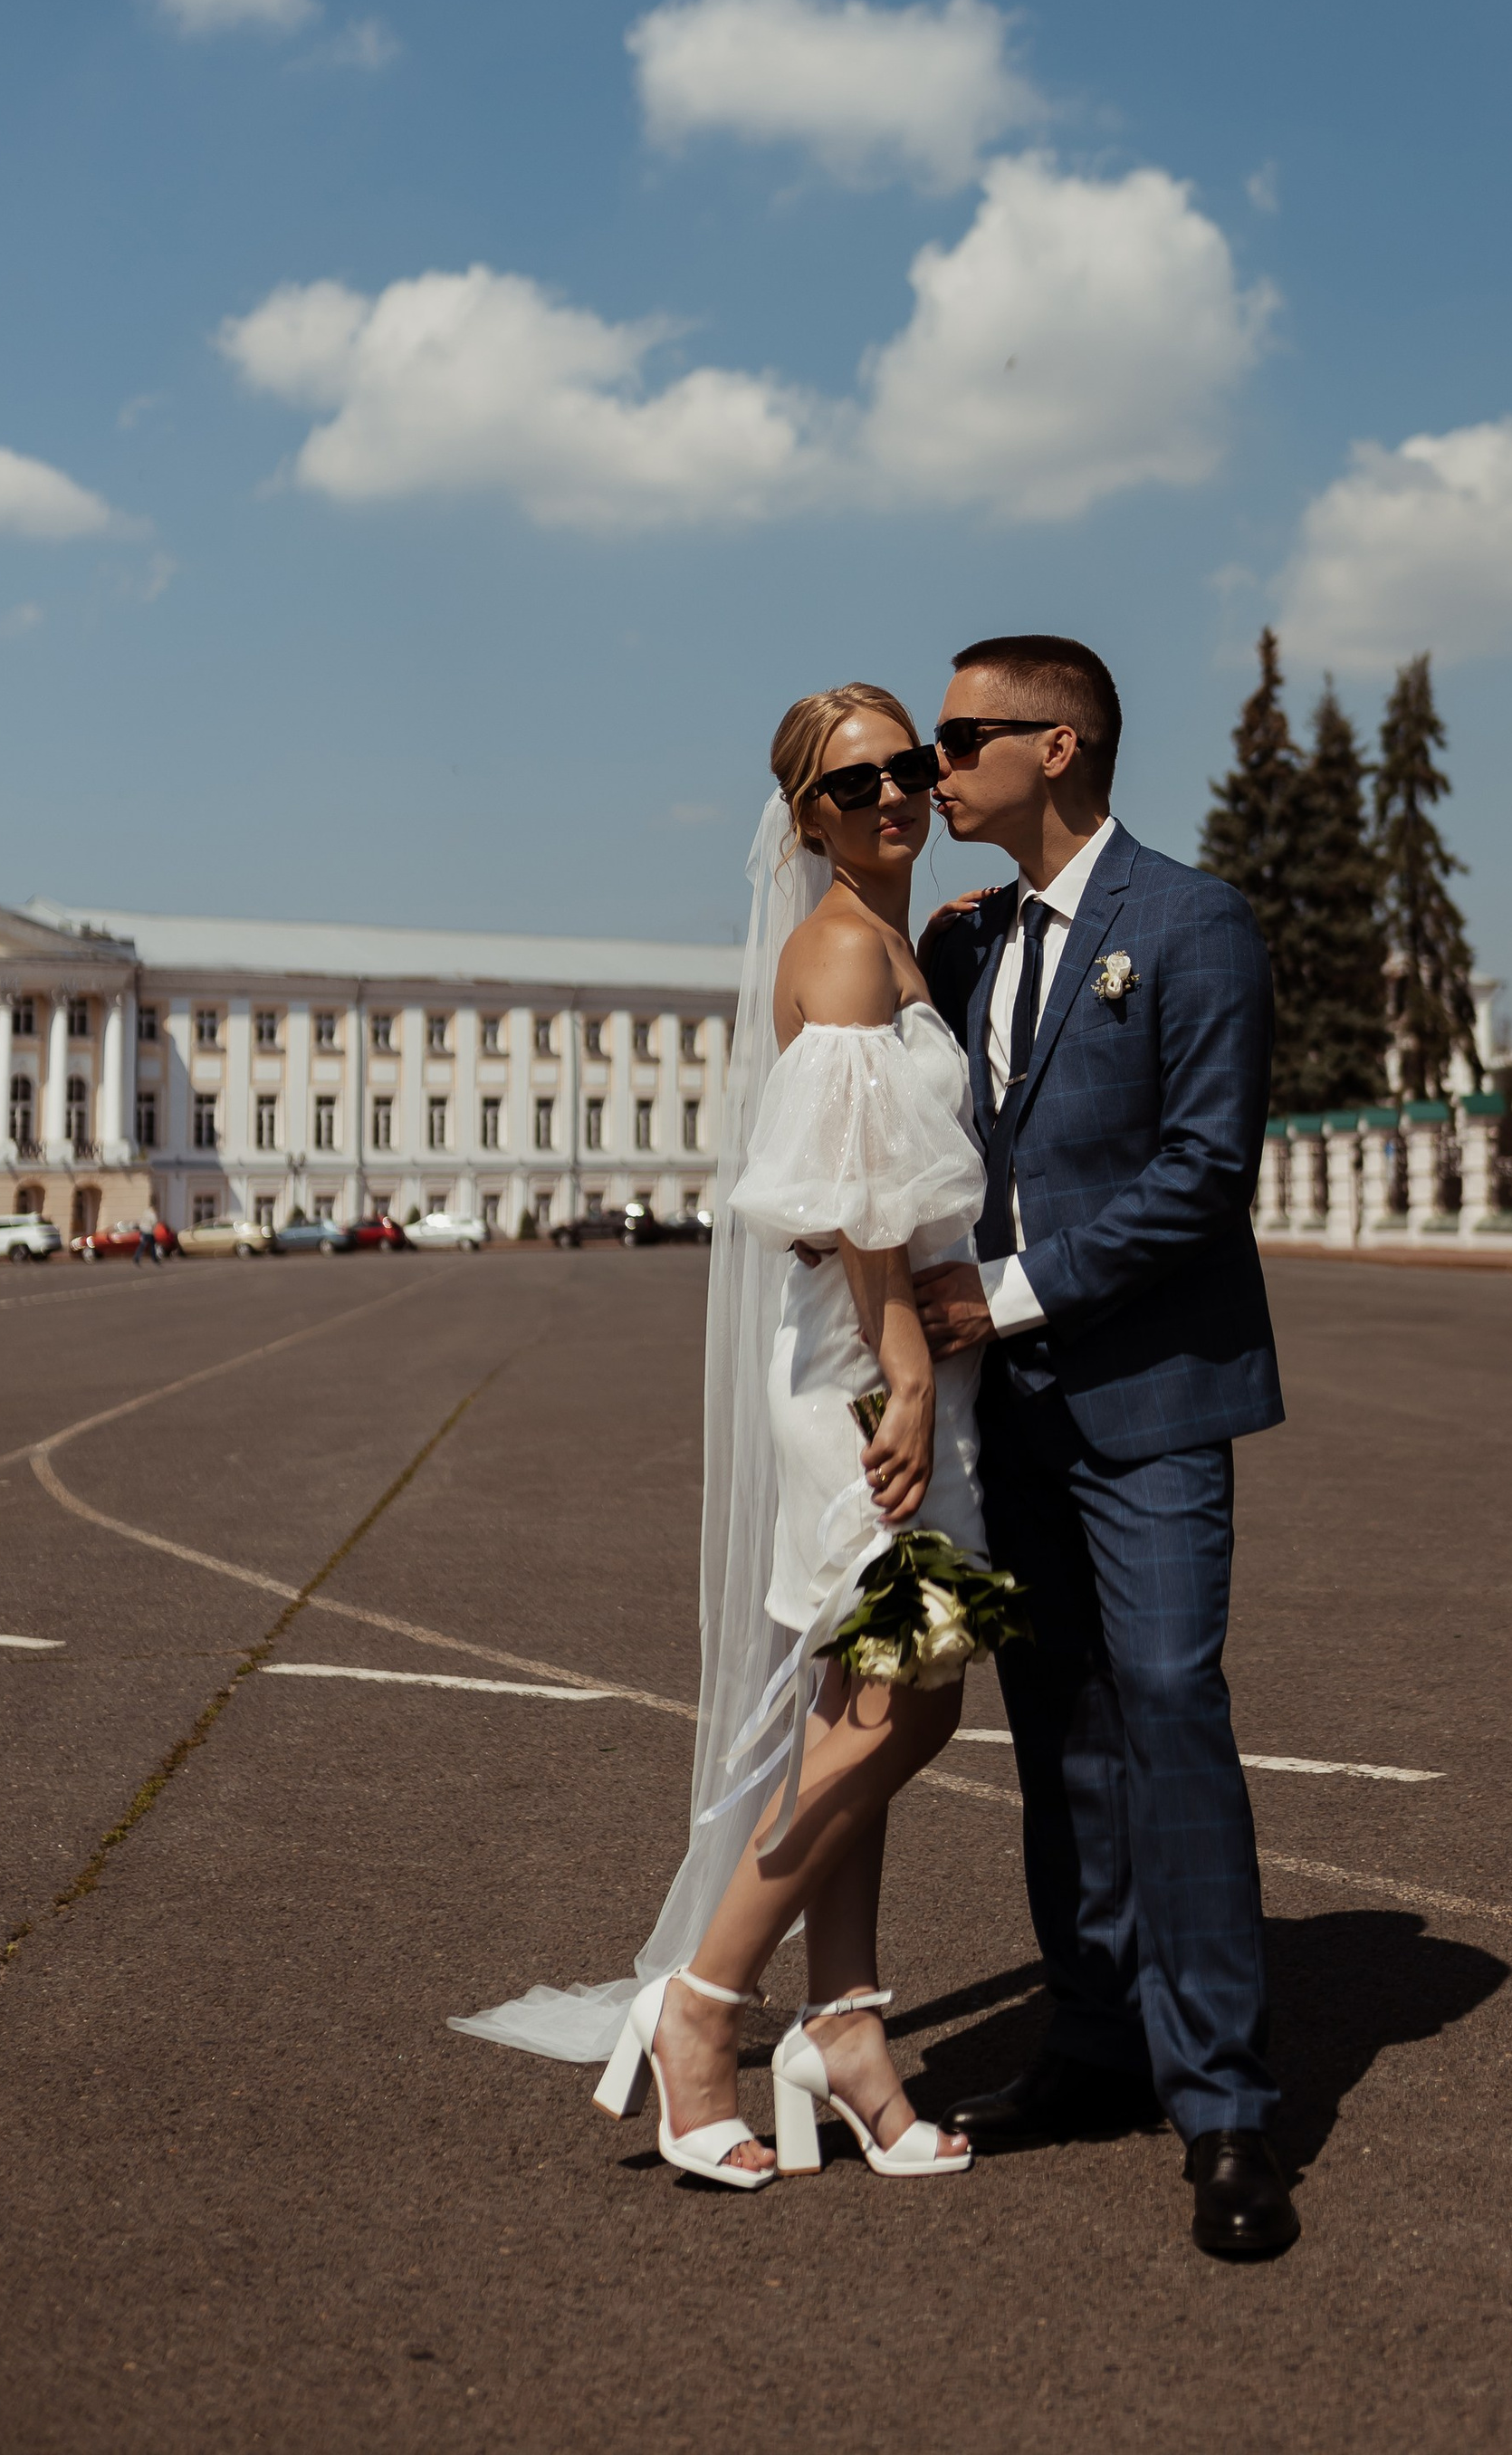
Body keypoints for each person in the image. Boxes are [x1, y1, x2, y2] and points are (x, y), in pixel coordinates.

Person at [453, 683, 997, 2190]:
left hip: (884, 1361)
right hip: (862, 1368)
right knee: (901, 1706)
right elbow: (847, 1199)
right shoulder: (843, 947)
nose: (893, 795)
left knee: (866, 1698)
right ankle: (701, 2010)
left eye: (908, 766)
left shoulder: (890, 940)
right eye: (853, 785)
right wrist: (906, 1376)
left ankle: (848, 2022)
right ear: (807, 818)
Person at [913, 632, 1297, 2262]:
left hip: (1151, 1401)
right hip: (1012, 1421)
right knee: (1057, 1725)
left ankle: (1225, 2101)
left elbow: (1206, 1171)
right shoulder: (967, 941)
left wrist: (1006, 1296)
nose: (934, 768)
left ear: (1055, 747)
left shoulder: (1195, 923)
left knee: (1165, 1703)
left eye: (958, 740)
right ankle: (1093, 2042)